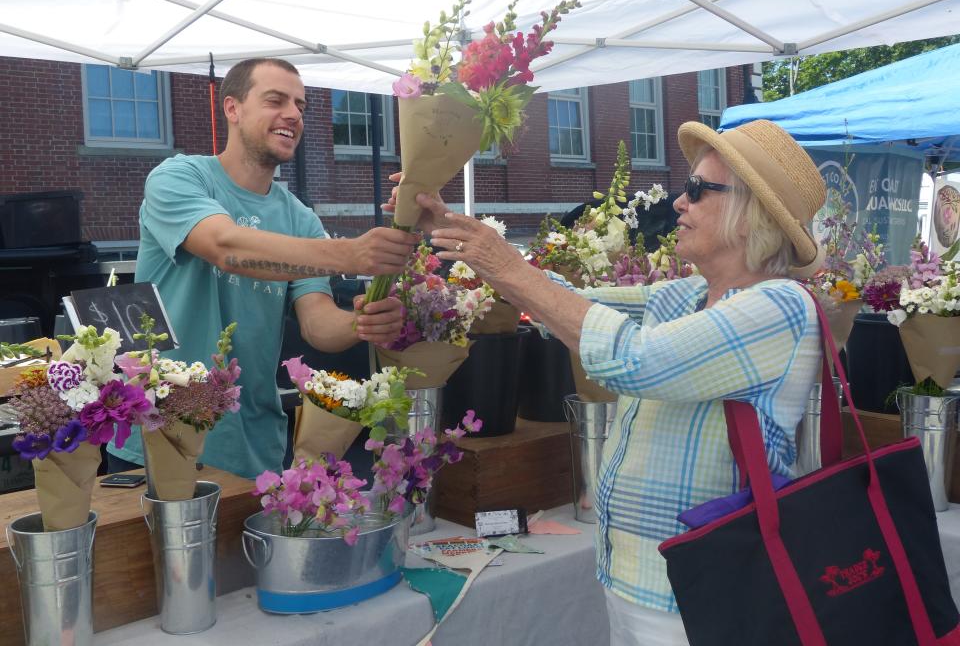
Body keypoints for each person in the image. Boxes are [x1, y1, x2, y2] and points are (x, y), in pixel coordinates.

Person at [402, 119, 826, 645]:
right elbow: (567, 304)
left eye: (696, 190)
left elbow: (635, 359)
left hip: (701, 590)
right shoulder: (687, 295)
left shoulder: (779, 304)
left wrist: (506, 264)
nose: (678, 204)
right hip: (638, 578)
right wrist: (451, 230)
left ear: (750, 215)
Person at [107, 58, 418, 479]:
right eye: (275, 100)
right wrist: (352, 254)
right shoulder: (179, 177)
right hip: (158, 442)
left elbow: (317, 324)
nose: (293, 114)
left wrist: (362, 323)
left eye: (300, 105)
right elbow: (224, 246)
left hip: (254, 448)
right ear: (232, 108)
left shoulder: (300, 218)